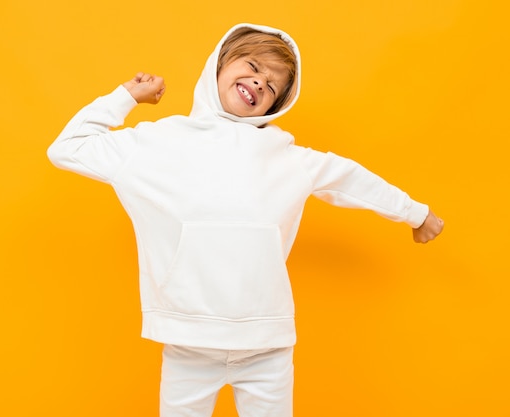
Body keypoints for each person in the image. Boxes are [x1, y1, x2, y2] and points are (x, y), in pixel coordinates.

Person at [47, 23, 443, 417]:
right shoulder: (155, 143)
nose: (258, 83)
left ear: (274, 106)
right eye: (252, 66)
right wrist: (126, 96)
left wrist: (415, 213)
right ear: (218, 65)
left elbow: (349, 179)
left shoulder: (286, 156)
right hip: (188, 340)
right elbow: (68, 148)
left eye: (271, 87)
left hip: (266, 346)